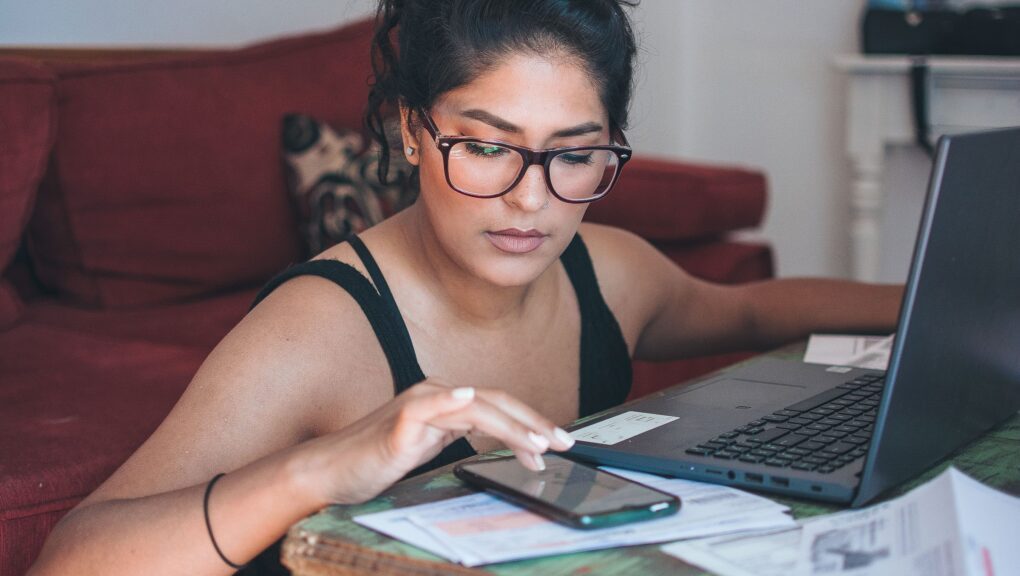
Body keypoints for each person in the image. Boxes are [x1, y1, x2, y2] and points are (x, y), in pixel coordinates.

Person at [28, 1, 903, 574]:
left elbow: (750, 307)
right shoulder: (317, 331)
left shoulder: (608, 271)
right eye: (486, 146)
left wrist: (930, 304)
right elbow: (71, 559)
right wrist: (319, 470)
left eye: (573, 151)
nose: (532, 198)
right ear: (413, 134)